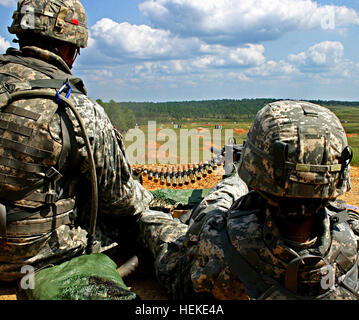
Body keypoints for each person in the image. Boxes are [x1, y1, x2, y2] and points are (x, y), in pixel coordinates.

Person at [139, 100, 359, 300]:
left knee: (154, 220)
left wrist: (234, 182)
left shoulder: (219, 245)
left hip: (201, 259)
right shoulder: (352, 243)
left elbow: (205, 220)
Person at [0, 0, 152, 282]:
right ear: (70, 50)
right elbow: (120, 200)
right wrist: (148, 200)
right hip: (35, 260)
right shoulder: (78, 109)